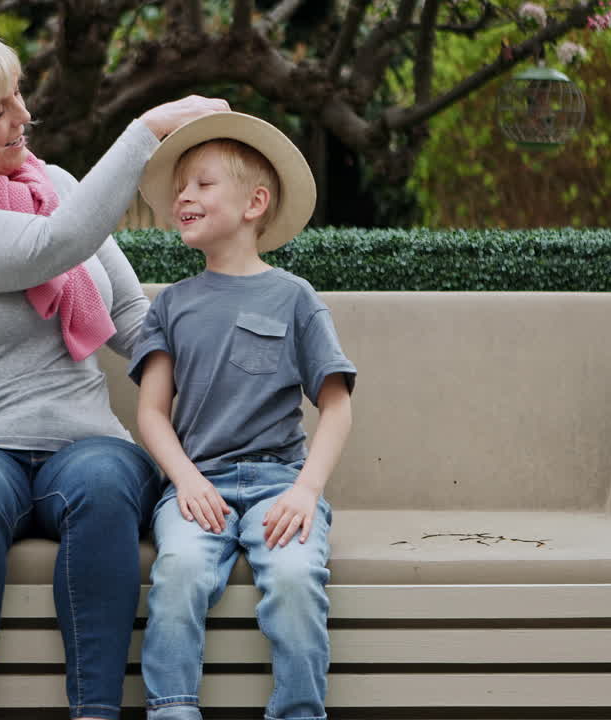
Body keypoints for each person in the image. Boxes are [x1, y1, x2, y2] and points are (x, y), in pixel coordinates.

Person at [0, 28, 227, 720]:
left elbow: (130, 312)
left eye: (19, 97)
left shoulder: (57, 188)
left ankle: (95, 714)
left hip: (81, 438)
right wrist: (146, 131)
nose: (23, 117)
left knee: (104, 482)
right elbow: (50, 247)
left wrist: (223, 361)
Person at [129, 112, 357, 720]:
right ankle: (172, 712)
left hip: (281, 486)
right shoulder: (170, 306)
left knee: (293, 580)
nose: (184, 196)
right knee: (175, 574)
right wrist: (186, 480)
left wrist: (308, 492)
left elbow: (335, 405)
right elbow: (151, 411)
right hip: (196, 486)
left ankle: (299, 713)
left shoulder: (296, 297)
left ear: (255, 203)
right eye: (180, 188)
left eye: (202, 184)